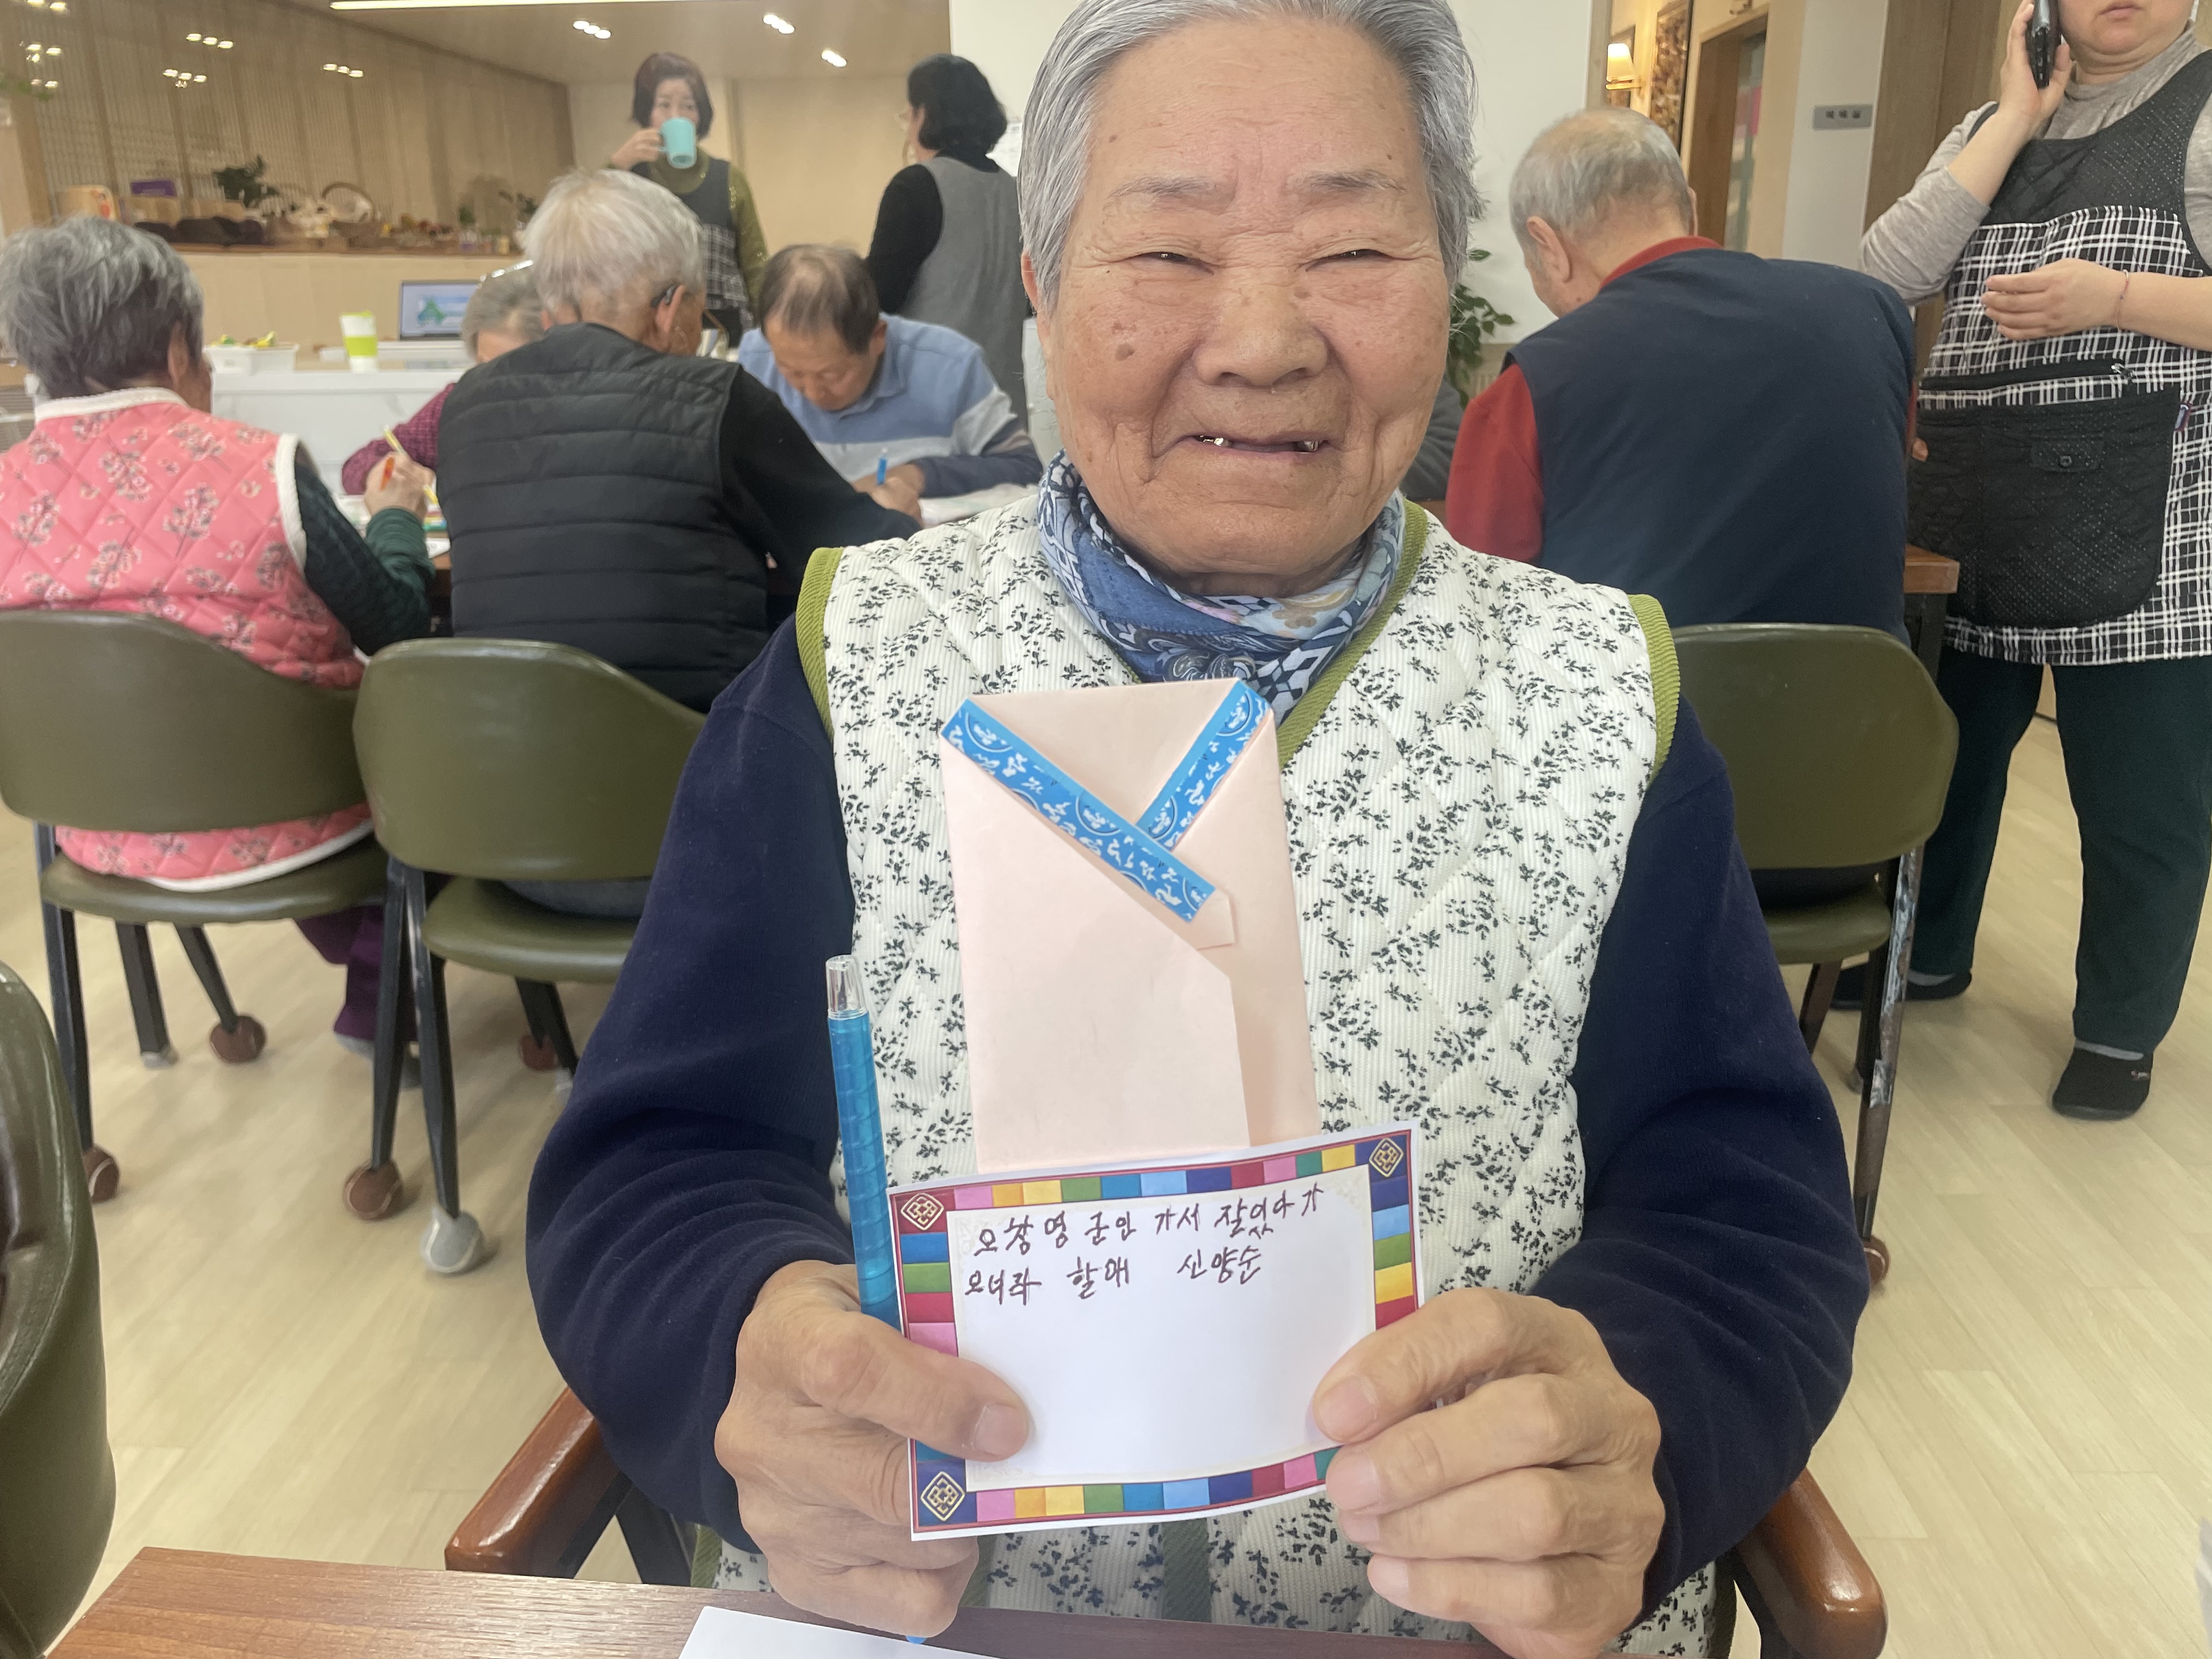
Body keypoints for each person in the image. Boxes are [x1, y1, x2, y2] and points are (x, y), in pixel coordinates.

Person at [527, 4, 1867, 1656]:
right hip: (948, 1632)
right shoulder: (845, 667)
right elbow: (653, 1166)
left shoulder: (1599, 696)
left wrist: (1636, 1414)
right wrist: (741, 1349)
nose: (1262, 341)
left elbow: (1750, 1215)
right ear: (1043, 279)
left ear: (1448, 285)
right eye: (1167, 249)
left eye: (1352, 248)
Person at [1857, 0, 2212, 1122]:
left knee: (2141, 798)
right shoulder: (1985, 123)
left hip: (2147, 523)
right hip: (1972, 514)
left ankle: (2118, 1028)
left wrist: (2113, 296)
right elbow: (1882, 274)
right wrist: (2015, 115)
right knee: (1941, 768)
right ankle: (1925, 955)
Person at [0, 217, 433, 1062]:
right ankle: (383, 993)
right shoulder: (262, 467)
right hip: (301, 812)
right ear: (175, 350)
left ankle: (366, 989)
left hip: (93, 827)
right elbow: (397, 626)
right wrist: (395, 521)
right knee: (434, 768)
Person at [438, 168, 918, 707]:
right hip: (689, 744)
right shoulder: (714, 398)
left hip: (497, 739)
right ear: (670, 308)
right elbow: (859, 561)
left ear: (549, 307)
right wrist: (893, 510)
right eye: (701, 309)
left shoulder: (465, 406)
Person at [1447, 109, 1913, 641]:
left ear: (1548, 246)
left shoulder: (1531, 388)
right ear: (1689, 208)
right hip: (1870, 693)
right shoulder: (1875, 316)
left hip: (1645, 695)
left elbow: (1481, 617)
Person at [738, 244, 1042, 504]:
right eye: (792, 372)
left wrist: (918, 476)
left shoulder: (951, 368)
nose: (812, 393)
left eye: (832, 375)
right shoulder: (754, 362)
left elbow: (1024, 467)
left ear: (877, 338)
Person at [866, 54, 1029, 422]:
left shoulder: (916, 187)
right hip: (1004, 411)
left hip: (931, 410)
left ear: (923, 114)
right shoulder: (1017, 194)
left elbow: (877, 300)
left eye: (909, 115)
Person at [340, 264, 545, 495]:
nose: (493, 384)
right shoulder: (456, 407)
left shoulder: (569, 420)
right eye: (483, 367)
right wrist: (385, 472)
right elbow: (357, 465)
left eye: (512, 372)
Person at [609, 52, 768, 335]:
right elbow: (586, 239)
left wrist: (768, 331)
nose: (677, 116)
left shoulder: (729, 178)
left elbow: (756, 267)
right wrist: (615, 166)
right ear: (647, 113)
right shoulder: (629, 179)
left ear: (700, 115)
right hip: (651, 330)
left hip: (728, 330)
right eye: (664, 105)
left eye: (688, 106)